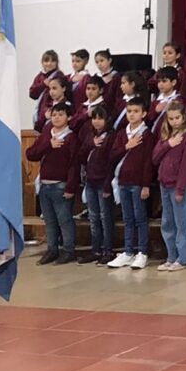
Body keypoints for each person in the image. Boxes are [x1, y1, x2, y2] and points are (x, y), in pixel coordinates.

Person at [25, 103, 81, 265]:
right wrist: (48, 145)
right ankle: (52, 249)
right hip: (44, 184)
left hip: (60, 185)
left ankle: (68, 250)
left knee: (64, 220)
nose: (56, 117)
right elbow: (31, 154)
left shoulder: (71, 138)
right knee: (49, 221)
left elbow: (73, 165)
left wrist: (71, 187)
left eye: (61, 115)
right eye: (54, 114)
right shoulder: (46, 135)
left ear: (69, 117)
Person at [107, 98, 155, 270]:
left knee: (140, 218)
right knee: (127, 219)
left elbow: (148, 162)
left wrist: (145, 185)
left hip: (137, 183)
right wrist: (126, 146)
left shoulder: (147, 135)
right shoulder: (122, 134)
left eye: (136, 111)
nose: (132, 114)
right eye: (129, 111)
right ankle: (128, 252)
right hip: (122, 181)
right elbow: (112, 156)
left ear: (143, 114)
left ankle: (142, 252)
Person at [152, 102, 186, 271]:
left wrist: (180, 188)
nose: (175, 121)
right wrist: (168, 143)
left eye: (178, 118)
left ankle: (184, 258)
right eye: (171, 119)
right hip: (164, 184)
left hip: (177, 186)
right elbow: (155, 158)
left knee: (181, 223)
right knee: (167, 223)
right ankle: (171, 256)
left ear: (183, 117)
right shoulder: (165, 135)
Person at [77, 106, 115, 265]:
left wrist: (107, 185)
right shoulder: (89, 136)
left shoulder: (111, 136)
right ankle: (96, 249)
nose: (97, 122)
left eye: (100, 118)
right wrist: (90, 144)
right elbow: (80, 156)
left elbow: (111, 161)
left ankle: (108, 250)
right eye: (94, 118)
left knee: (105, 217)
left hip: (103, 181)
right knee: (93, 217)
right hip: (90, 181)